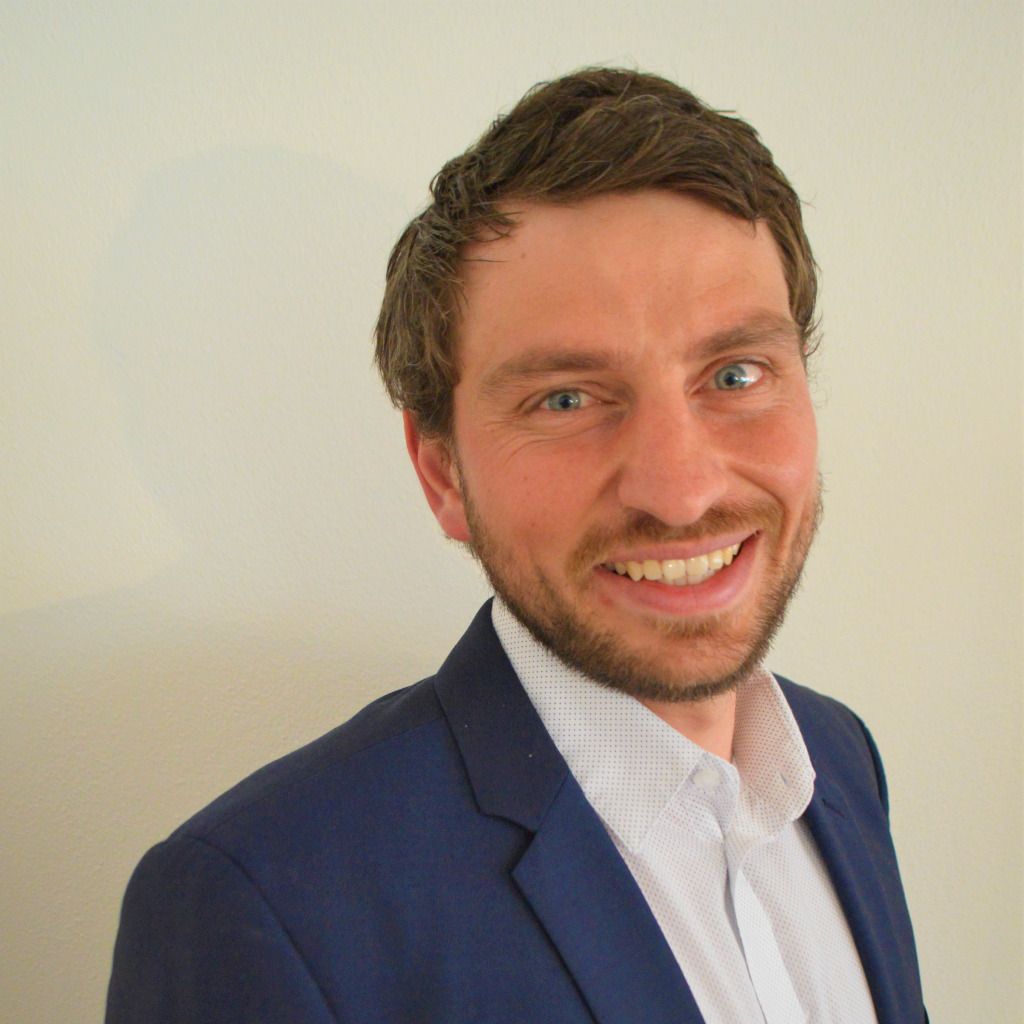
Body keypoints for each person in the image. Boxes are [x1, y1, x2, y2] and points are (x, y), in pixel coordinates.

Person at [106, 68, 926, 1024]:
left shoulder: (840, 761)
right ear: (443, 474)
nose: (682, 492)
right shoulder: (260, 902)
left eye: (736, 374)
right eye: (566, 399)